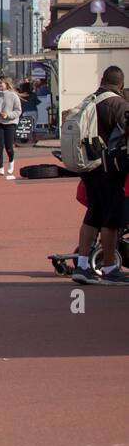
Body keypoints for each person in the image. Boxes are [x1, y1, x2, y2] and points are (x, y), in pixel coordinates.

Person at [70, 66, 129, 285]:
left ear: (102, 80)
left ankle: (82, 266)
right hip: (108, 168)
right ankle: (109, 268)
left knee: (92, 215)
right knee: (111, 219)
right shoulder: (117, 104)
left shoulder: (89, 100)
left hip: (88, 167)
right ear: (120, 84)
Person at [0, 76, 22, 179]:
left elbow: (18, 111)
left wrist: (8, 115)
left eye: (1, 83)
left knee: (9, 146)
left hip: (10, 123)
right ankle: (1, 168)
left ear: (6, 84)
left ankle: (11, 161)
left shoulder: (13, 96)